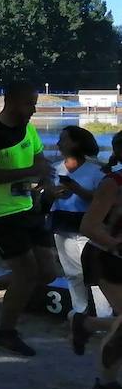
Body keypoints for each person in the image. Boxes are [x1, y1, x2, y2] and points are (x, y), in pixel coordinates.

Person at [0, 82, 57, 356]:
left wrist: (46, 183)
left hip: (27, 205)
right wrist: (29, 171)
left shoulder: (29, 128)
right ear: (12, 102)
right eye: (30, 103)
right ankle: (5, 333)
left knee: (48, 272)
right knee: (26, 272)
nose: (35, 109)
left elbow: (40, 161)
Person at [46, 126, 112, 354]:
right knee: (73, 275)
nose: (58, 144)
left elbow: (101, 199)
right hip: (62, 225)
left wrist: (77, 189)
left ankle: (104, 320)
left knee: (96, 276)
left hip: (87, 227)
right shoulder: (56, 169)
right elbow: (48, 195)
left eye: (63, 140)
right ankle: (79, 316)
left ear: (75, 143)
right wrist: (51, 193)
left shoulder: (96, 172)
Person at [79, 131, 122, 389]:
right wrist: (116, 245)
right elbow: (88, 226)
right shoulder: (113, 183)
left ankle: (86, 323)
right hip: (106, 258)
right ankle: (105, 383)